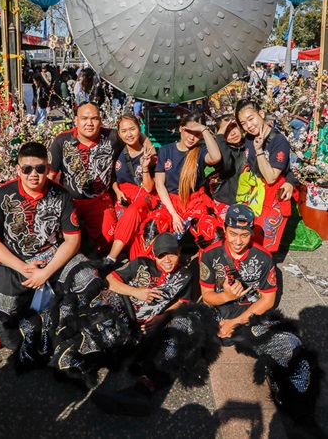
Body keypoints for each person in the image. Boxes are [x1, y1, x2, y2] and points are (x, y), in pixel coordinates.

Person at [0, 142, 83, 369]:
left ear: (48, 167)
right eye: (27, 169)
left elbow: (72, 239)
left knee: (85, 279)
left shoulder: (61, 195)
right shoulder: (3, 196)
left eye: (40, 169)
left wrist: (46, 272)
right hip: (16, 260)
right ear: (18, 169)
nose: (34, 174)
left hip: (51, 257)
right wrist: (23, 268)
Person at [199, 204, 324, 438]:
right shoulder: (209, 254)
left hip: (251, 317)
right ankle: (145, 386)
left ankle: (301, 415)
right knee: (179, 330)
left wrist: (235, 322)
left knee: (292, 346)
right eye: (233, 234)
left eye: (244, 235)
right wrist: (227, 296)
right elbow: (207, 295)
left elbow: (268, 300)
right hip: (217, 312)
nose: (238, 241)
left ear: (251, 234)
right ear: (225, 230)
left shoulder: (263, 256)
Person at [90, 232, 221, 416]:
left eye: (172, 254)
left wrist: (163, 317)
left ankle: (141, 392)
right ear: (153, 255)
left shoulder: (185, 275)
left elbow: (183, 302)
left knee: (183, 328)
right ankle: (80, 360)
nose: (167, 260)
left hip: (151, 330)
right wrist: (136, 292)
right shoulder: (141, 263)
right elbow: (109, 280)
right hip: (123, 320)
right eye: (161, 255)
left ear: (179, 251)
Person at [142, 111, 221, 252]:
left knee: (211, 230)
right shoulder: (166, 150)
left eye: (197, 134)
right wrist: (174, 215)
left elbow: (215, 157)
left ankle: (209, 268)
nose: (192, 137)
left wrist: (204, 129)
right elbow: (160, 185)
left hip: (195, 202)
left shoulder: (200, 152)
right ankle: (159, 267)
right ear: (180, 128)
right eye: (188, 131)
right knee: (152, 227)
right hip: (170, 202)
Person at [49, 101, 122, 253]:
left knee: (108, 239)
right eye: (84, 118)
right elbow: (51, 175)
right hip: (69, 199)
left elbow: (136, 135)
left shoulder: (112, 137)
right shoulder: (62, 141)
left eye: (94, 118)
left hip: (99, 199)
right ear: (76, 120)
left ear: (100, 121)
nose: (89, 123)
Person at [209, 114, 295, 224]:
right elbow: (226, 164)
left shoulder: (252, 143)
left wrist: (290, 181)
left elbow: (280, 164)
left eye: (234, 127)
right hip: (226, 200)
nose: (233, 133)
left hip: (251, 199)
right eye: (226, 131)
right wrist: (220, 136)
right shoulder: (220, 151)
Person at [235, 99, 292, 252]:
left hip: (272, 194)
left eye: (251, 118)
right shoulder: (248, 138)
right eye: (243, 123)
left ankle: (265, 271)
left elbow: (271, 177)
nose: (249, 125)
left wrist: (259, 150)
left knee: (263, 239)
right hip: (254, 191)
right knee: (246, 234)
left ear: (261, 113)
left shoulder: (279, 141)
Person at [107, 114, 158, 262]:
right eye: (124, 131)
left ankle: (111, 257)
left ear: (139, 129)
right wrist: (117, 192)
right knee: (131, 227)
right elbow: (112, 177)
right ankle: (137, 263)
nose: (129, 134)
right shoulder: (117, 151)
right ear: (119, 133)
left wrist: (145, 168)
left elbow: (149, 188)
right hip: (123, 194)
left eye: (132, 129)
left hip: (144, 196)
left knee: (133, 211)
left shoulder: (149, 155)